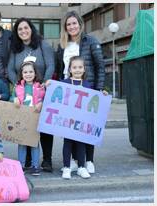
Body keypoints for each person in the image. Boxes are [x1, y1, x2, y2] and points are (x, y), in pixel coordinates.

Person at [55, 10, 105, 174]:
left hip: (87, 89)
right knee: (71, 128)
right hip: (68, 91)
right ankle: (75, 160)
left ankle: (89, 160)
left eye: (74, 23)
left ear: (80, 24)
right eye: (68, 24)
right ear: (65, 27)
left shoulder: (90, 41)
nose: (71, 26)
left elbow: (100, 66)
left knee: (86, 126)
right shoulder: (62, 44)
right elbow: (60, 68)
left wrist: (98, 90)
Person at [8, 17, 55, 172]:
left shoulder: (42, 45)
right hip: (24, 91)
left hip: (42, 90)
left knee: (44, 127)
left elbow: (50, 65)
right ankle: (27, 160)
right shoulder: (15, 48)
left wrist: (44, 81)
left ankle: (47, 159)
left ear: (31, 29)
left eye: (25, 28)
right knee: (26, 126)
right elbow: (10, 69)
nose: (23, 31)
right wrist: (18, 83)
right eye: (20, 29)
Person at [10, 61, 46, 176]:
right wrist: (14, 99)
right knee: (22, 142)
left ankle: (35, 166)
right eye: (25, 72)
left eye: (31, 71)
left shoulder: (40, 86)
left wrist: (42, 103)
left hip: (35, 118)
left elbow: (46, 99)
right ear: (21, 74)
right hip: (22, 118)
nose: (28, 74)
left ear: (35, 73)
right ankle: (21, 165)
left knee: (34, 142)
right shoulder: (18, 86)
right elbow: (13, 97)